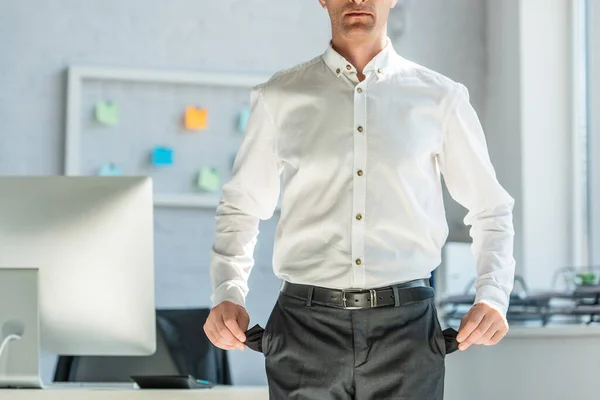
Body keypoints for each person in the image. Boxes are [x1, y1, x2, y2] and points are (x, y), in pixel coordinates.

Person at [204, 0, 515, 398]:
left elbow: (490, 208)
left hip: (408, 334)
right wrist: (228, 292)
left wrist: (492, 295)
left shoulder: (441, 98)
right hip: (303, 332)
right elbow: (241, 207)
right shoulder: (279, 96)